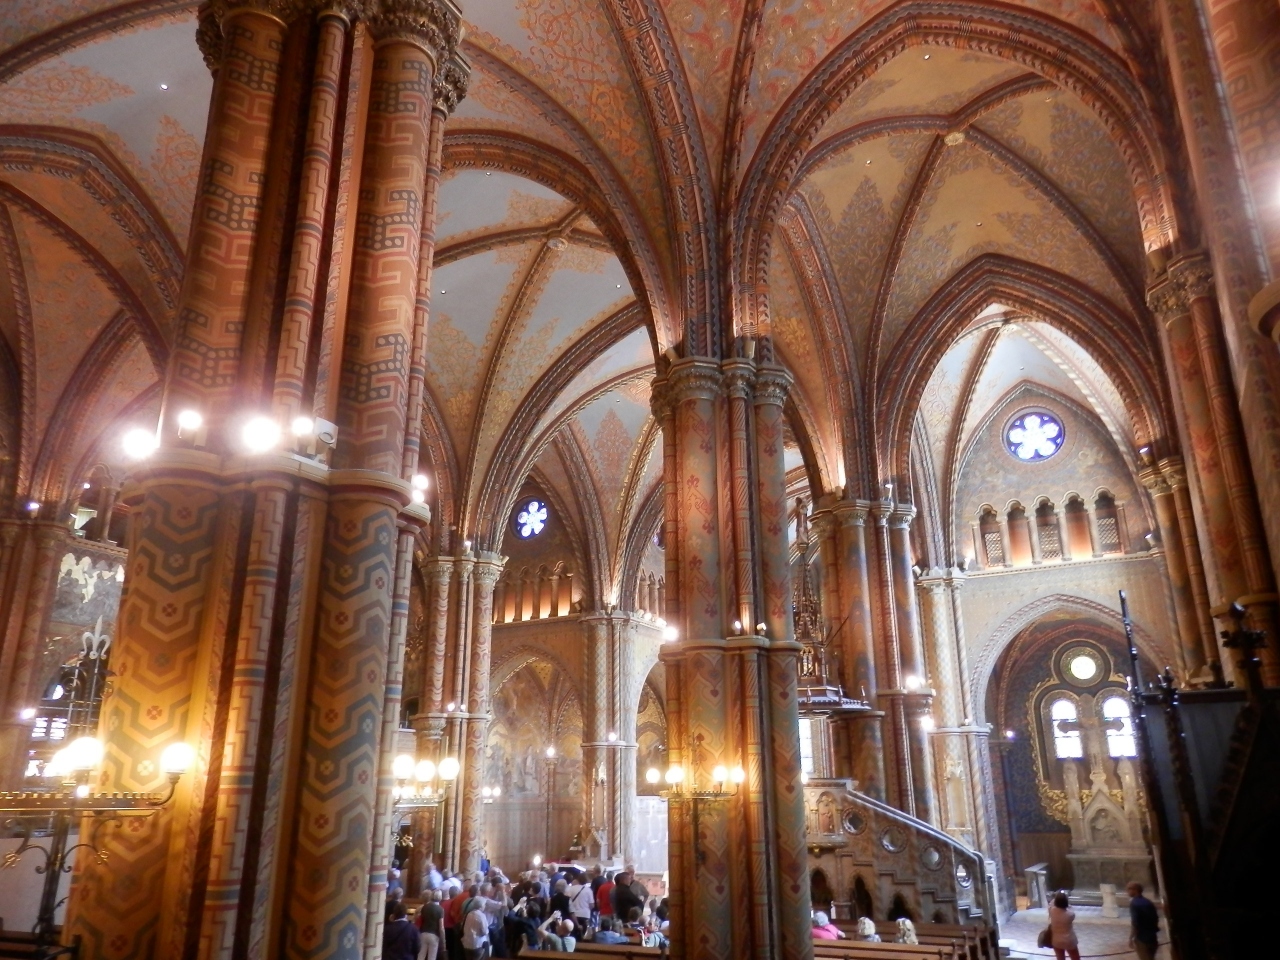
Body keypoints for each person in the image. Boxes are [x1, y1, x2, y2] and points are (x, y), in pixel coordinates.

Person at [1127, 882, 1160, 960]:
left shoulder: (1134, 903)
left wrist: (1131, 938)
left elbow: (1135, 923)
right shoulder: (1148, 902)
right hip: (1152, 937)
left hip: (1142, 938)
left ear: (1135, 890)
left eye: (1129, 889)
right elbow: (1155, 918)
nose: (1127, 891)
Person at [1049, 892, 1081, 960]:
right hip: (1069, 940)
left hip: (1056, 940)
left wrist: (1056, 897)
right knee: (1075, 958)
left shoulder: (1052, 911)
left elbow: (1051, 903)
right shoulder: (1070, 915)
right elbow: (1070, 908)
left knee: (1060, 958)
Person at [420, 891, 445, 960]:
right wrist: (443, 940)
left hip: (423, 933)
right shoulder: (440, 909)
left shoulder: (425, 907)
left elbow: (421, 920)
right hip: (434, 935)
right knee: (432, 957)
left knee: (421, 956)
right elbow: (441, 927)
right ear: (440, 898)